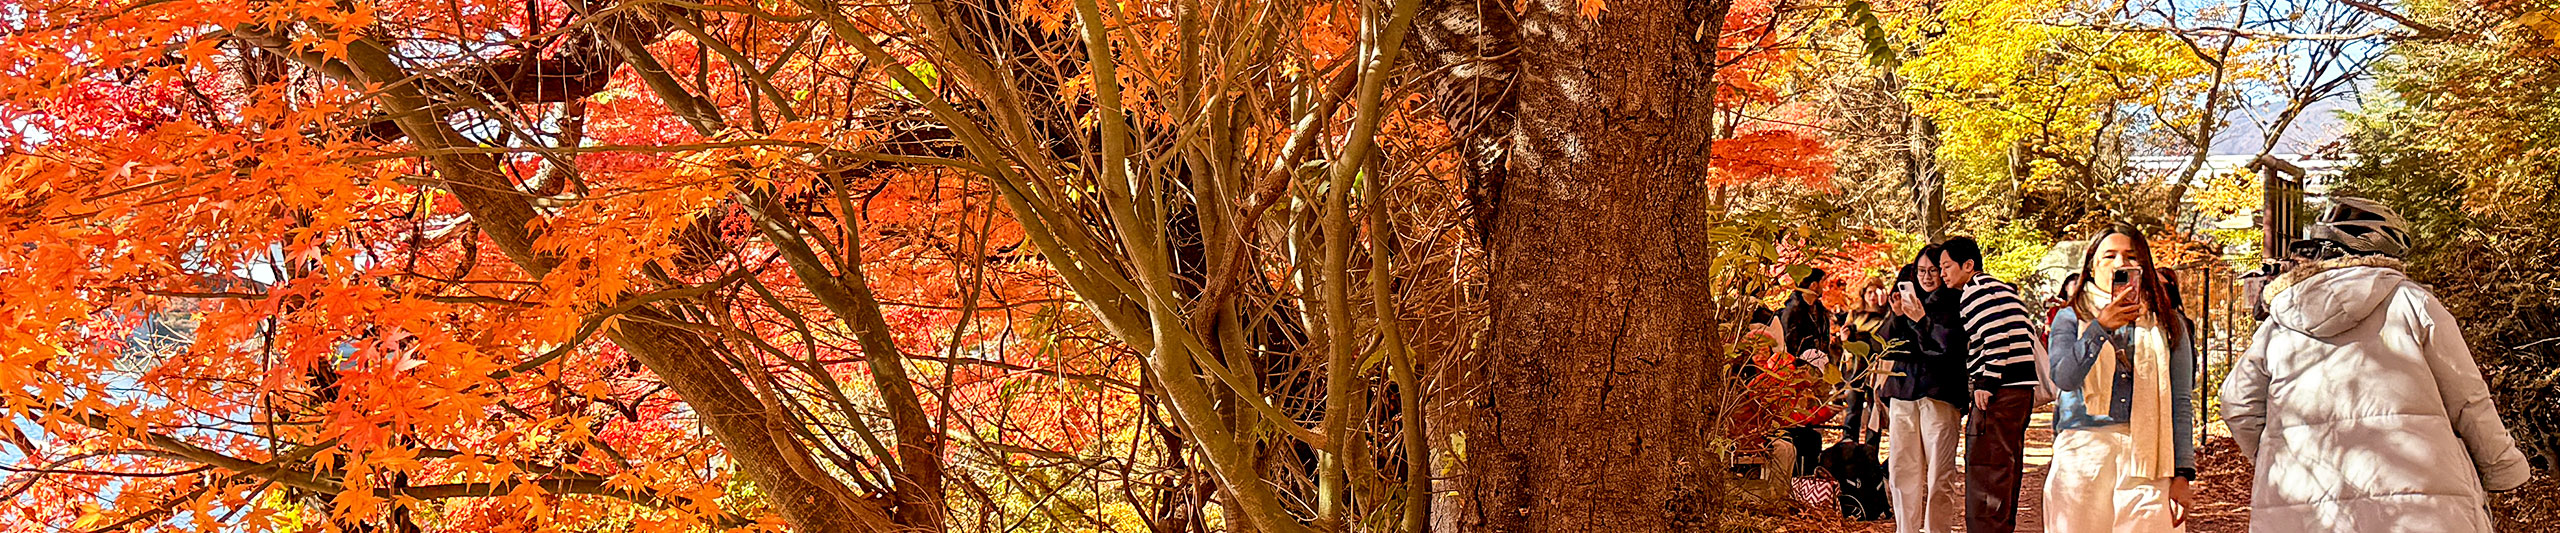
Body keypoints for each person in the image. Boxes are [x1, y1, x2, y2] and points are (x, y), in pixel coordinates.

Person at [2220, 197, 2531, 532]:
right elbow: (2468, 399)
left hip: (2306, 510)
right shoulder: (2414, 303)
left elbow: (2237, 403)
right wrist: (2502, 469)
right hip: (2419, 505)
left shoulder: (2279, 321)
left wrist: (2278, 454)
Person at [2044, 226, 2197, 532]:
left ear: (2144, 265)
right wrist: (2100, 327)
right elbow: (2063, 377)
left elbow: (2181, 400)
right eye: (2109, 256)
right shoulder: (2070, 317)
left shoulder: (2168, 321)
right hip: (2083, 453)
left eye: (2130, 256)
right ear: (2092, 266)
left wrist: (2182, 474)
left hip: (2150, 455)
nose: (2120, 264)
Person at [1939, 236, 2041, 533]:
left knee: (1986, 472)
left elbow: (1997, 338)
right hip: (2020, 391)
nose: (1943, 273)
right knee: (2005, 470)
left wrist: (1987, 381)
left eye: (1947, 266)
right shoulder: (2003, 289)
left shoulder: (1976, 291)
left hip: (2000, 391)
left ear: (1967, 265)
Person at [1882, 248, 1968, 533]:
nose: (1928, 277)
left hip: (1940, 394)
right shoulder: (1909, 302)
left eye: (1934, 270)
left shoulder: (1956, 301)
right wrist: (1897, 316)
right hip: (1903, 391)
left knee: (1939, 474)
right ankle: (1905, 529)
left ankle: (1936, 530)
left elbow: (1946, 348)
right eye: (1921, 271)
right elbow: (1887, 346)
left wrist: (1920, 320)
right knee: (1902, 469)